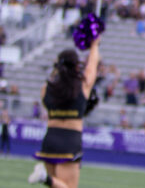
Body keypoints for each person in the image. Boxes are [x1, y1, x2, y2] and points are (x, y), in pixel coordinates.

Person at [27, 39, 100, 188]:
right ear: (76, 66)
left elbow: (46, 101)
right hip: (70, 141)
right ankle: (45, 178)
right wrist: (94, 45)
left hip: (50, 139)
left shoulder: (46, 88)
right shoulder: (82, 87)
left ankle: (47, 178)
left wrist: (58, 69)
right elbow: (92, 66)